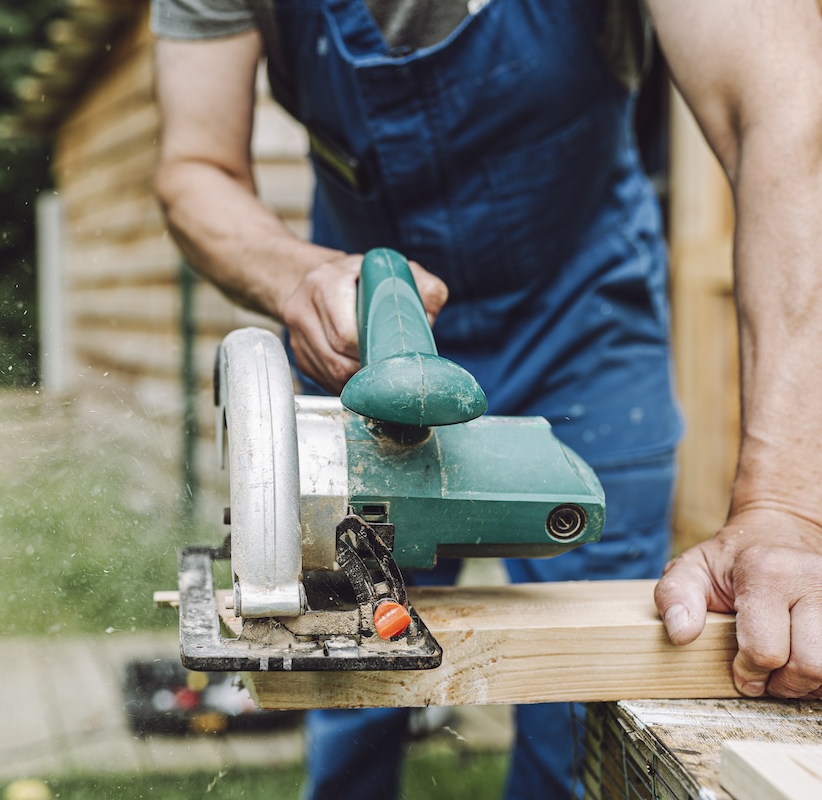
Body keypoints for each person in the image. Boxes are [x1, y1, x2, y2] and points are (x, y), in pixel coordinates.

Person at [151, 0, 822, 797]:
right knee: (343, 671)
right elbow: (197, 167)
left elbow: (785, 115)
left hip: (582, 328)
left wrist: (785, 504)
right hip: (362, 340)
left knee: (580, 707)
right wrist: (290, 273)